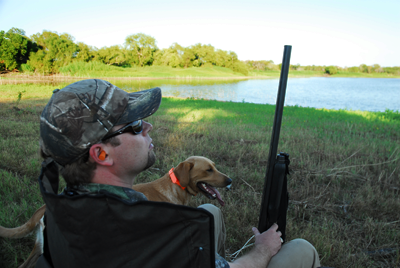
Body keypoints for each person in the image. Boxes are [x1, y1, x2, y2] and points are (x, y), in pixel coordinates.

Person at [37, 79, 321, 268]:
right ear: (101, 154)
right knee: (301, 249)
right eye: (134, 126)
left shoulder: (60, 208)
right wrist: (262, 250)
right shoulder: (155, 227)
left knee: (208, 210)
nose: (148, 127)